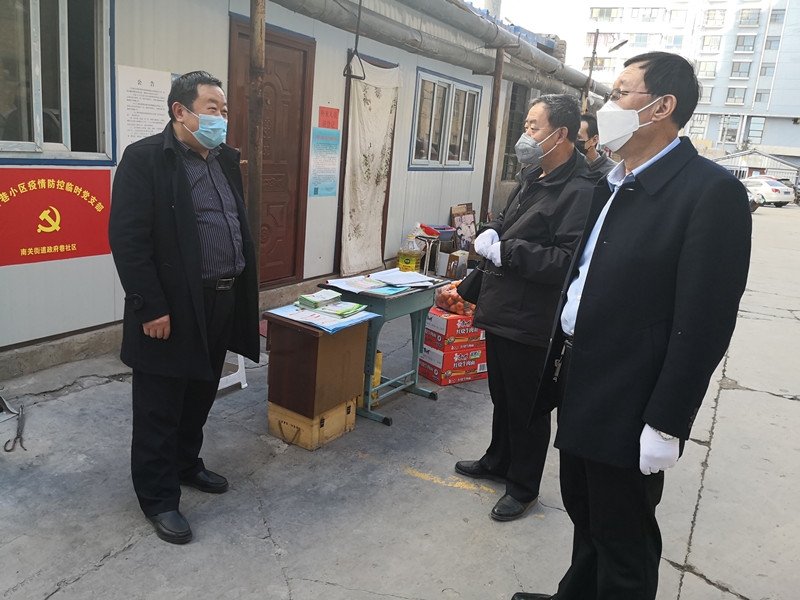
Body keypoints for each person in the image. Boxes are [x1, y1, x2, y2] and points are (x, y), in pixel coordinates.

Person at [511, 52, 752, 599]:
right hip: (580, 374)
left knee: (623, 534)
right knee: (584, 507)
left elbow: (706, 322)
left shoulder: (709, 192)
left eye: (620, 93)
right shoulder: (614, 181)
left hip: (631, 393)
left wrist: (667, 422)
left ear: (661, 107)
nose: (606, 106)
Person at [108, 71, 261, 545]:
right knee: (160, 403)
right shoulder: (146, 159)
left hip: (221, 298)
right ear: (181, 111)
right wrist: (150, 307)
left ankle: (185, 463)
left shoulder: (223, 160)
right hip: (172, 308)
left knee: (200, 391)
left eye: (224, 110)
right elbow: (129, 241)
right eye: (212, 108)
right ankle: (158, 497)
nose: (221, 118)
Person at [455, 94, 599, 522]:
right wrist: (491, 231)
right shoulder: (533, 174)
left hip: (533, 317)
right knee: (502, 395)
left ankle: (523, 486)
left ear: (562, 134)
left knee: (527, 405)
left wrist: (508, 251)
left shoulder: (580, 190)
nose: (526, 135)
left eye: (534, 127)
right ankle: (497, 460)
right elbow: (507, 218)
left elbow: (566, 261)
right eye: (526, 126)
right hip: (502, 306)